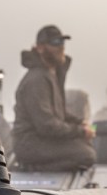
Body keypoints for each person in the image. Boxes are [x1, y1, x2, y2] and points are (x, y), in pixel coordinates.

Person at [11, 25, 96, 170]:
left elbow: (59, 113)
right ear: (40, 48)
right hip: (30, 144)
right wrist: (80, 131)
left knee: (86, 145)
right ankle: (32, 167)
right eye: (55, 42)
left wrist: (81, 123)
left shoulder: (50, 75)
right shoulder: (37, 80)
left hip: (43, 139)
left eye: (62, 42)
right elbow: (47, 125)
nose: (61, 47)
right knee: (86, 155)